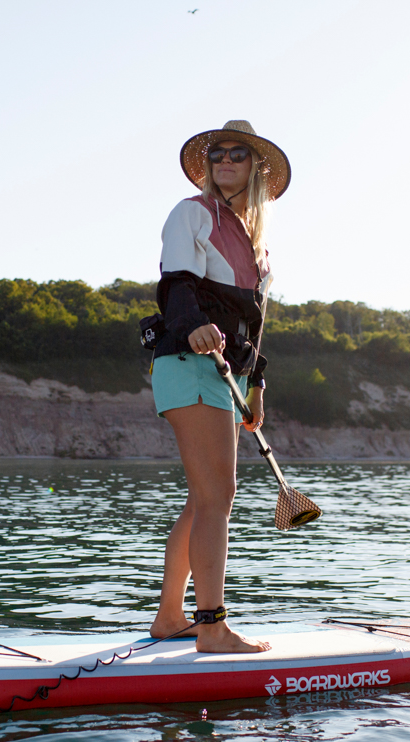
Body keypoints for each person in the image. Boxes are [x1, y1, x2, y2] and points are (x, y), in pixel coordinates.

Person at [148, 120, 291, 654]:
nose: (225, 160)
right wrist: (192, 325)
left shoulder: (257, 245)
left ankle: (169, 620)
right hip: (189, 361)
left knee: (202, 500)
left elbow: (254, 327)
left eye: (237, 154)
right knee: (218, 498)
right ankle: (211, 628)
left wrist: (258, 387)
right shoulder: (191, 213)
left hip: (230, 375)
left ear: (254, 167)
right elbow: (176, 284)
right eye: (217, 154)